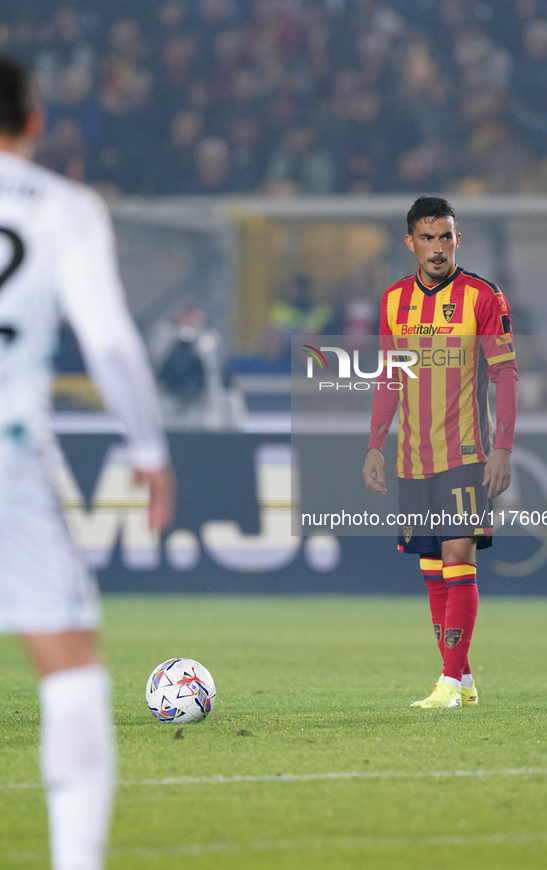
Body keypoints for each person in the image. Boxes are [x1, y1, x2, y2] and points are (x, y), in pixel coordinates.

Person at [0, 57, 174, 869]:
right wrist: (147, 448)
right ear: (33, 122)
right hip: (7, 453)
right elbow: (107, 341)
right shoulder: (64, 209)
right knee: (69, 664)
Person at [362, 195, 518, 709]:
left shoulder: (483, 296)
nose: (437, 247)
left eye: (445, 236)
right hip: (413, 457)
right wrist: (375, 445)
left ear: (458, 239)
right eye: (426, 238)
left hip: (467, 451)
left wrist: (502, 448)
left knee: (458, 553)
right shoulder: (392, 302)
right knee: (433, 567)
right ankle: (463, 678)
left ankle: (448, 685)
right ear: (410, 242)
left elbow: (505, 374)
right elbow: (390, 376)